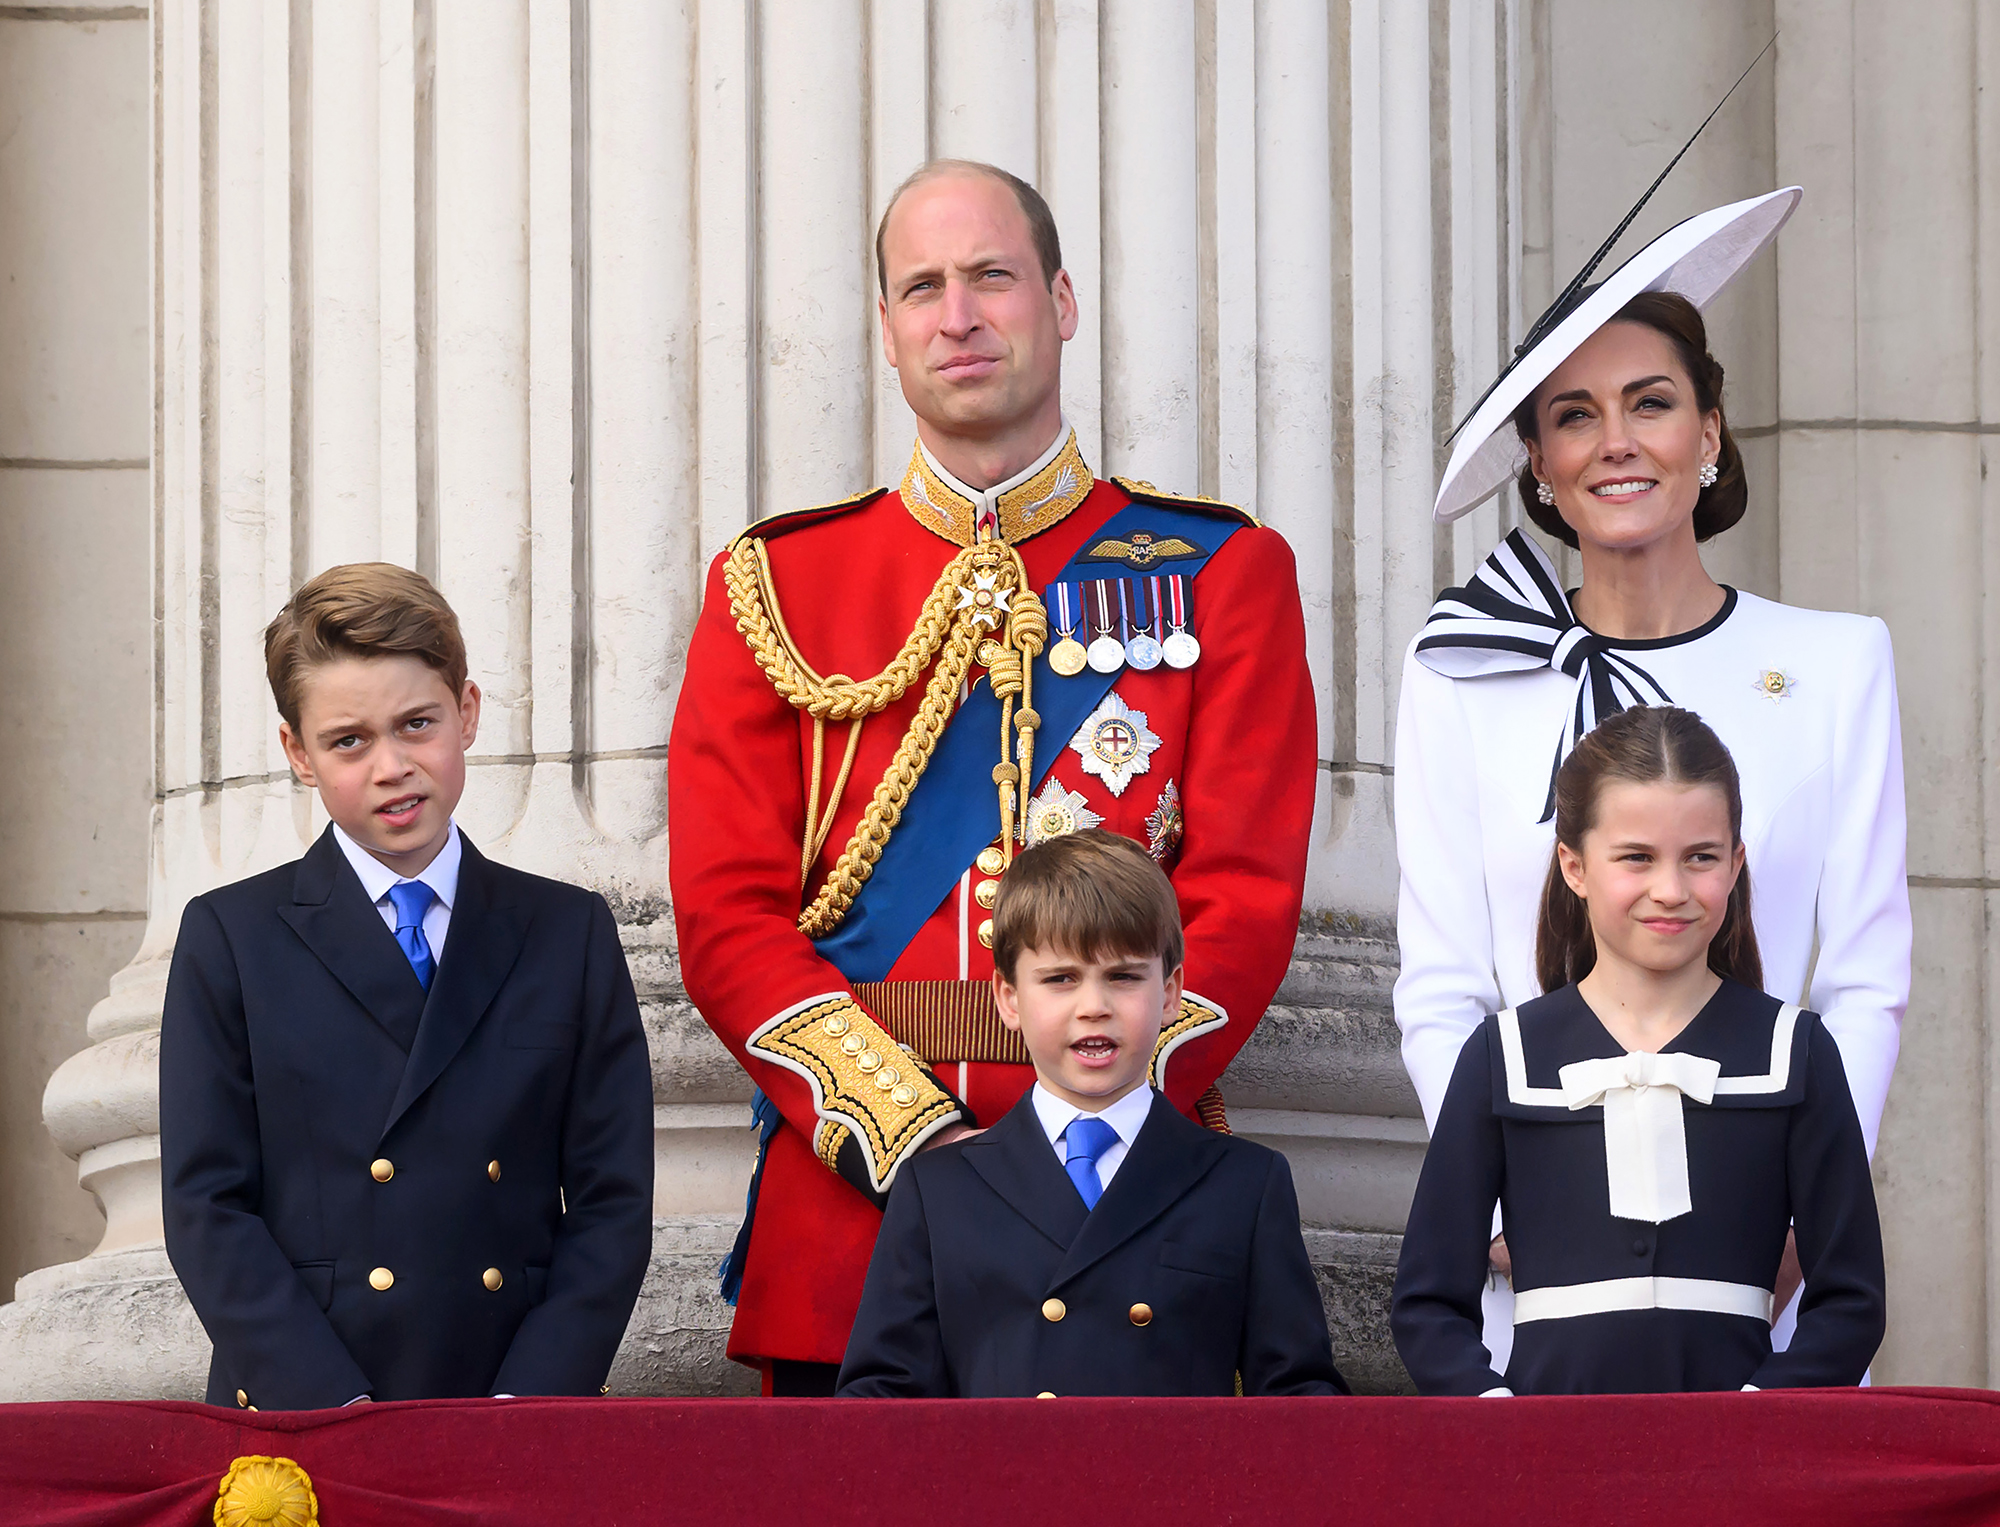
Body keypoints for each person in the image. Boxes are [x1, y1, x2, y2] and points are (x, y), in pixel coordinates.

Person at [668, 160, 1316, 1394]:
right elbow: (724, 921)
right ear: (887, 330)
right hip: (851, 1228)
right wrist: (914, 1143)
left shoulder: (1220, 571)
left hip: (1128, 1217)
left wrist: (1084, 1131)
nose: (956, 315)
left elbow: (1240, 897)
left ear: (1060, 303)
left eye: (989, 278)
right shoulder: (774, 587)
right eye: (922, 287)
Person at [1396, 188, 1908, 1365]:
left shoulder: (1834, 663)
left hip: (1760, 1262)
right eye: (1573, 416)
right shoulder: (1462, 669)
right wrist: (1511, 1192)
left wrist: (1795, 1209)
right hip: (1539, 1271)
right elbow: (1437, 988)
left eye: (1650, 403)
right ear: (1536, 459)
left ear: (1710, 431)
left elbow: (1864, 979)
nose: (1614, 441)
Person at [160, 564, 655, 1409]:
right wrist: (325, 1405)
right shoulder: (231, 936)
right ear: (298, 753)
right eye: (349, 739)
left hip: (511, 1400)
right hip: (306, 1406)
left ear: (465, 713)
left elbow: (612, 1199)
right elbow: (207, 1205)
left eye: (417, 724)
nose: (392, 765)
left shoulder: (566, 932)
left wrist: (528, 1403)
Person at [1392, 707, 1885, 1395]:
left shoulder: (1795, 1050)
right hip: (1545, 1469)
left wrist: (1763, 1414)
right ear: (1575, 864)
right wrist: (1494, 1414)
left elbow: (1852, 1300)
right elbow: (1426, 1303)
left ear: (1736, 861)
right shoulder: (1501, 1054)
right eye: (1636, 857)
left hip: (1737, 1471)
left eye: (1701, 857)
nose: (1672, 890)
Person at [836, 830, 1344, 1397]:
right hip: (997, 1486)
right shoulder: (938, 1189)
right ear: (1009, 999)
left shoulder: (1244, 1182)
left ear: (1172, 992)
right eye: (1060, 980)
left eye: (1123, 977)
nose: (1094, 1007)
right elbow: (880, 1405)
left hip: (1175, 1486)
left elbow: (1301, 1403)